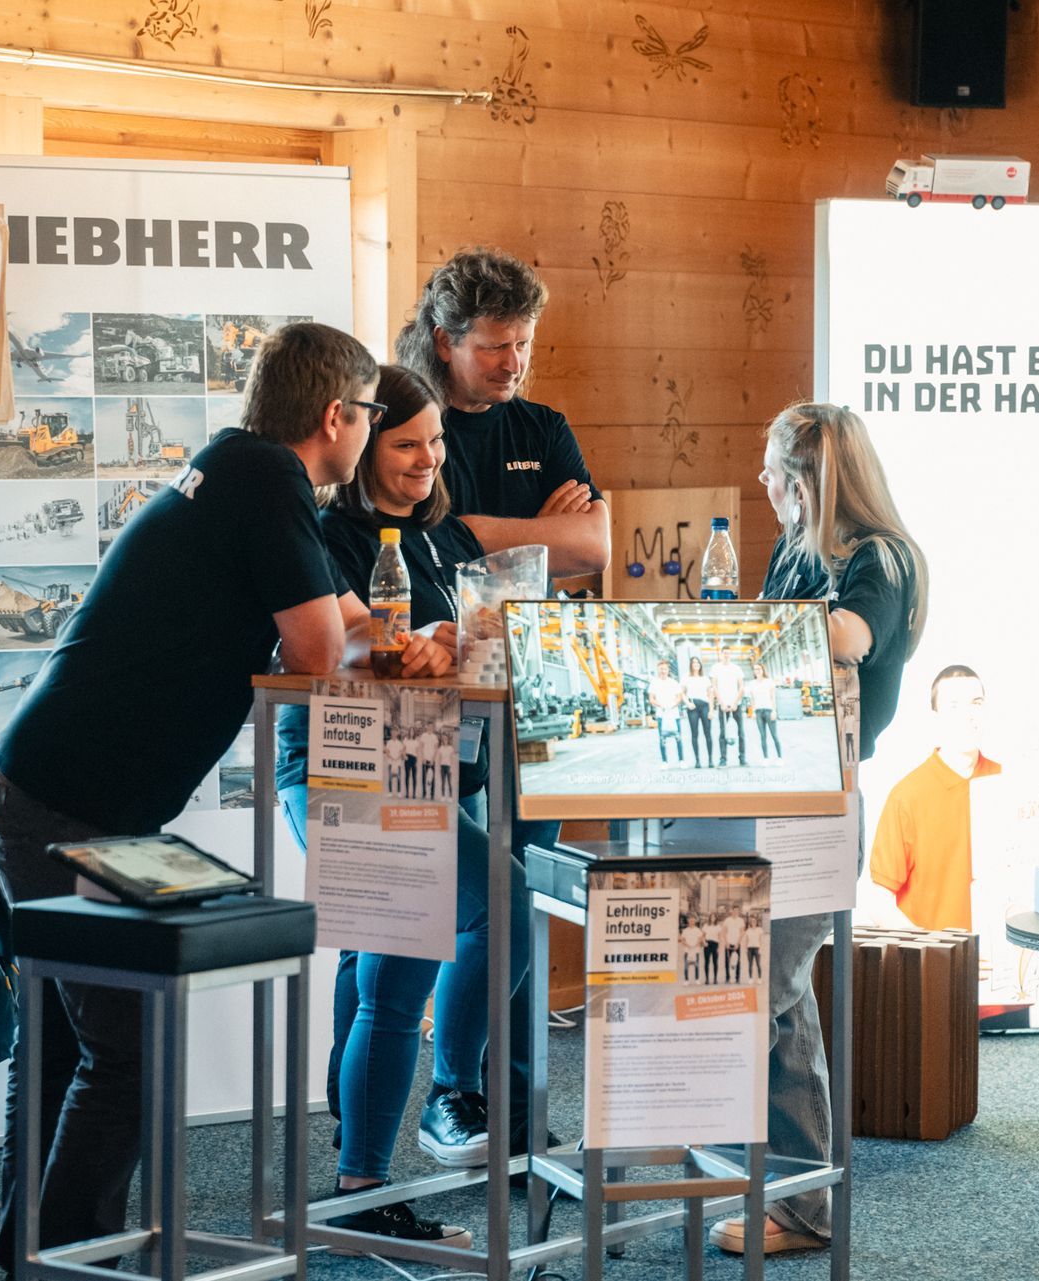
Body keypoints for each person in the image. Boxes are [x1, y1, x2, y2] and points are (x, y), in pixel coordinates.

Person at [0, 321, 375, 1274]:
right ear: (335, 415)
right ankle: (75, 1260)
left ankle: (31, 1254)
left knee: (67, 1042)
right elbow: (322, 651)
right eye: (371, 415)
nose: (368, 433)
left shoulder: (236, 471)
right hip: (71, 805)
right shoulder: (268, 480)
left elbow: (330, 616)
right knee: (124, 1051)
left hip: (52, 788)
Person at [274, 363, 498, 1247]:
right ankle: (372, 1168)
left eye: (437, 442)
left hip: (422, 765)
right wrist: (424, 646)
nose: (429, 459)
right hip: (337, 768)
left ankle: (399, 1137)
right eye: (408, 443)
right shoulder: (324, 530)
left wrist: (462, 642)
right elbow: (354, 650)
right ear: (364, 441)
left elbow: (467, 645)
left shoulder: (441, 537)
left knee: (467, 924)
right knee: (409, 954)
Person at [397, 246, 611, 1159]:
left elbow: (595, 544)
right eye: (495, 345)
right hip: (424, 703)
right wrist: (532, 536)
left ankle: (509, 1103)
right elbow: (438, 548)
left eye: (523, 343)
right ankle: (428, 1095)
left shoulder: (544, 423)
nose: (514, 361)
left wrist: (488, 532)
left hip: (529, 701)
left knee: (517, 902)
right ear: (445, 341)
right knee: (415, 917)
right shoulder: (406, 427)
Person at [712, 401, 927, 1256]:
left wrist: (747, 629)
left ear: (805, 483)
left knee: (770, 996)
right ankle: (802, 1206)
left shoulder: (880, 560)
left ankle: (788, 1200)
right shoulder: (794, 552)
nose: (763, 487)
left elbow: (849, 637)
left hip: (825, 803)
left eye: (773, 473)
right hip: (772, 788)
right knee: (785, 1000)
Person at [869, 665, 997, 930]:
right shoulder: (907, 796)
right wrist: (936, 950)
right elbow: (879, 903)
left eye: (976, 703)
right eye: (954, 706)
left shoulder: (1005, 782)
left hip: (1003, 963)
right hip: (937, 965)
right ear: (935, 717)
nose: (968, 715)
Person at [710, 651, 747, 767]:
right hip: (722, 705)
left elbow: (741, 687)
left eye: (728, 653)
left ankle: (742, 758)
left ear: (731, 655)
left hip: (737, 704)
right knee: (723, 733)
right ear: (721, 655)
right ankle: (723, 759)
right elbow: (714, 687)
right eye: (724, 653)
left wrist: (735, 702)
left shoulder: (736, 668)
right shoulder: (715, 668)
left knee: (741, 732)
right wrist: (721, 703)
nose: (726, 655)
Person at [650, 660, 685, 768]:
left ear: (668, 670)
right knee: (662, 738)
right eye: (661, 669)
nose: (663, 671)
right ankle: (664, 762)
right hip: (661, 715)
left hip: (674, 715)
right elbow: (651, 699)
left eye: (665, 669)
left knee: (678, 737)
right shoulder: (654, 683)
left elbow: (679, 697)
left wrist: (672, 706)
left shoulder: (673, 682)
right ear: (658, 670)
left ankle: (681, 761)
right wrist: (662, 706)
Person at [681, 656, 715, 768]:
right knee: (694, 734)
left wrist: (711, 710)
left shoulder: (705, 679)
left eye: (697, 662)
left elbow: (710, 695)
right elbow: (682, 693)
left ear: (700, 665)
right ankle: (697, 761)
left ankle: (710, 760)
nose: (696, 664)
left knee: (708, 733)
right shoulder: (686, 677)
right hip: (693, 707)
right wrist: (687, 703)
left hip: (705, 706)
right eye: (693, 662)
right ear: (691, 665)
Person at [748, 661, 783, 760]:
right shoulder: (752, 684)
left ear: (763, 670)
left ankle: (780, 758)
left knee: (774, 735)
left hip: (769, 710)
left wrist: (774, 711)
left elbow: (773, 698)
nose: (757, 671)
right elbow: (752, 699)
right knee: (762, 736)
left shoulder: (769, 682)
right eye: (755, 669)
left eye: (759, 669)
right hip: (758, 712)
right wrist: (753, 711)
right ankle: (766, 758)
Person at [720, 905, 745, 983]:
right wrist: (726, 942)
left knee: (737, 960)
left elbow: (742, 933)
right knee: (727, 961)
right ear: (732, 911)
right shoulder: (727, 920)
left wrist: (738, 943)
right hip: (728, 943)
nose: (736, 912)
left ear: (738, 911)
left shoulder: (741, 920)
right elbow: (723, 932)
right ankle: (728, 978)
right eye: (734, 910)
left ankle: (737, 978)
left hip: (737, 944)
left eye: (737, 910)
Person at [681, 914, 704, 983]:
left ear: (695, 921)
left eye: (693, 920)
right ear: (688, 921)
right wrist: (687, 945)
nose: (691, 922)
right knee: (686, 965)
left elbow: (701, 939)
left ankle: (697, 979)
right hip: (687, 950)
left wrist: (695, 945)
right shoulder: (685, 930)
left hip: (695, 950)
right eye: (690, 920)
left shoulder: (698, 930)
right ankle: (686, 980)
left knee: (696, 965)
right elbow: (682, 940)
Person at [745, 913, 766, 980]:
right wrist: (746, 948)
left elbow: (761, 940)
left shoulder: (759, 930)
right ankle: (750, 978)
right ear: (750, 923)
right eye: (752, 921)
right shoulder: (748, 930)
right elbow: (746, 940)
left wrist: (760, 949)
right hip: (749, 948)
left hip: (757, 948)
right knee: (750, 964)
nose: (753, 922)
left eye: (754, 921)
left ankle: (759, 978)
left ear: (756, 922)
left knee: (758, 964)